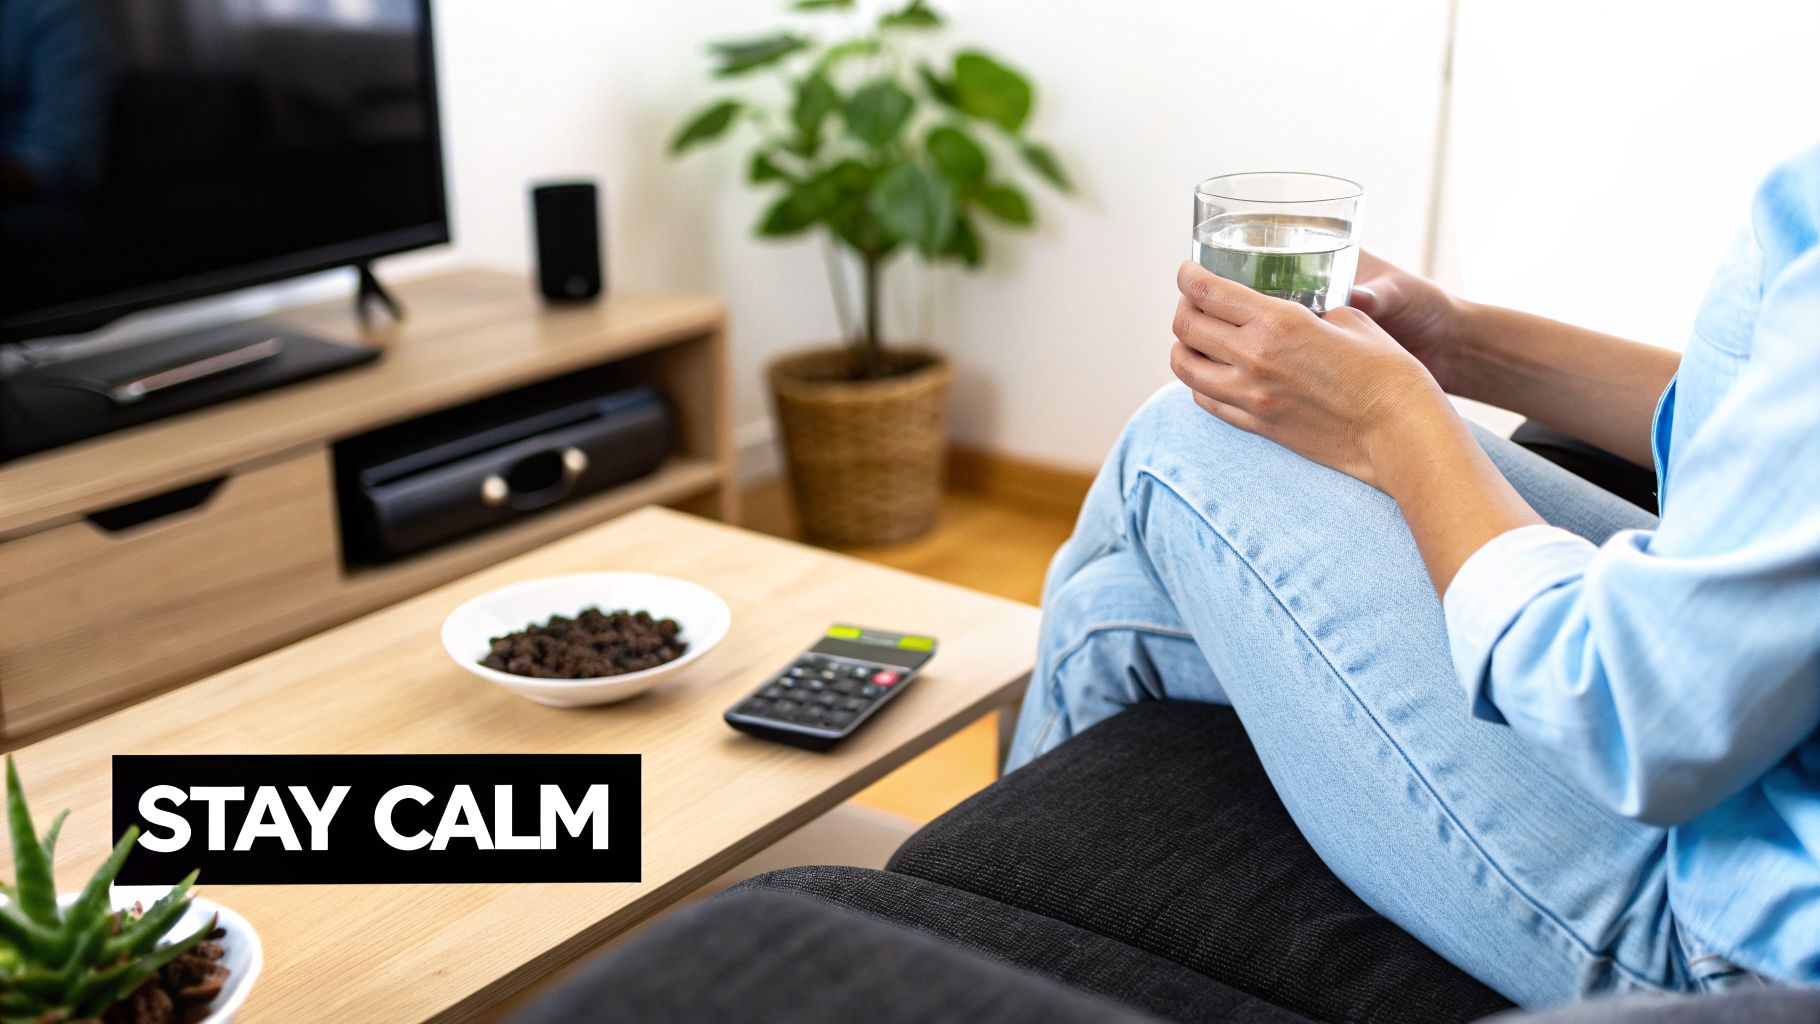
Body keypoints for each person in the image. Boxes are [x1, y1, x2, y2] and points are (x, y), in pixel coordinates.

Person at [1006, 144, 1820, 1008]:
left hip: (1742, 923)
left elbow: (1637, 710)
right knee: (1116, 607)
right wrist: (1459, 340)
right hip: (1763, 729)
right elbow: (1762, 433)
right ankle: (987, 928)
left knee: (1179, 446)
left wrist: (1391, 418)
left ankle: (962, 965)